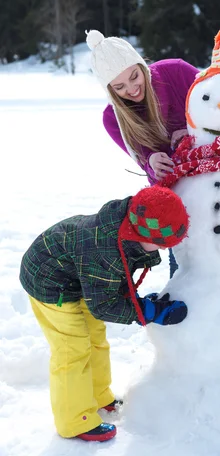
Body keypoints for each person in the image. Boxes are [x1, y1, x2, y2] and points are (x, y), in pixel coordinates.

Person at [19, 185, 189, 442]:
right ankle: (74, 420)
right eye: (159, 244)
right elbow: (104, 305)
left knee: (95, 337)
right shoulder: (104, 249)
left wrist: (139, 302)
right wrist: (149, 311)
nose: (163, 249)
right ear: (141, 233)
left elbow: (109, 282)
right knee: (73, 349)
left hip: (81, 277)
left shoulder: (129, 230)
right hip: (49, 282)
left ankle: (99, 395)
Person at [86, 30, 199, 276]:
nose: (132, 89)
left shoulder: (177, 72)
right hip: (177, 194)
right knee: (185, 263)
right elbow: (141, 158)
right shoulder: (112, 118)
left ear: (141, 65)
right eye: (119, 87)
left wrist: (192, 132)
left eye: (134, 76)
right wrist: (151, 162)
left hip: (216, 174)